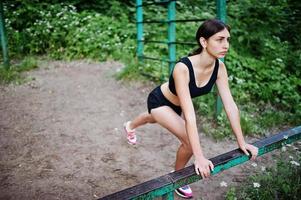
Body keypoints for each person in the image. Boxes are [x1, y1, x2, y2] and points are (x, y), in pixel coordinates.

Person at [123, 19, 258, 199]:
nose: (226, 45)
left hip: (175, 105)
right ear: (204, 42)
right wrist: (199, 156)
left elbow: (230, 106)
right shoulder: (183, 68)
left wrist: (241, 142)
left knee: (151, 118)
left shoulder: (219, 67)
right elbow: (190, 115)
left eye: (228, 39)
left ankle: (130, 126)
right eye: (220, 39)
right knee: (187, 140)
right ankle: (178, 178)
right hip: (160, 100)